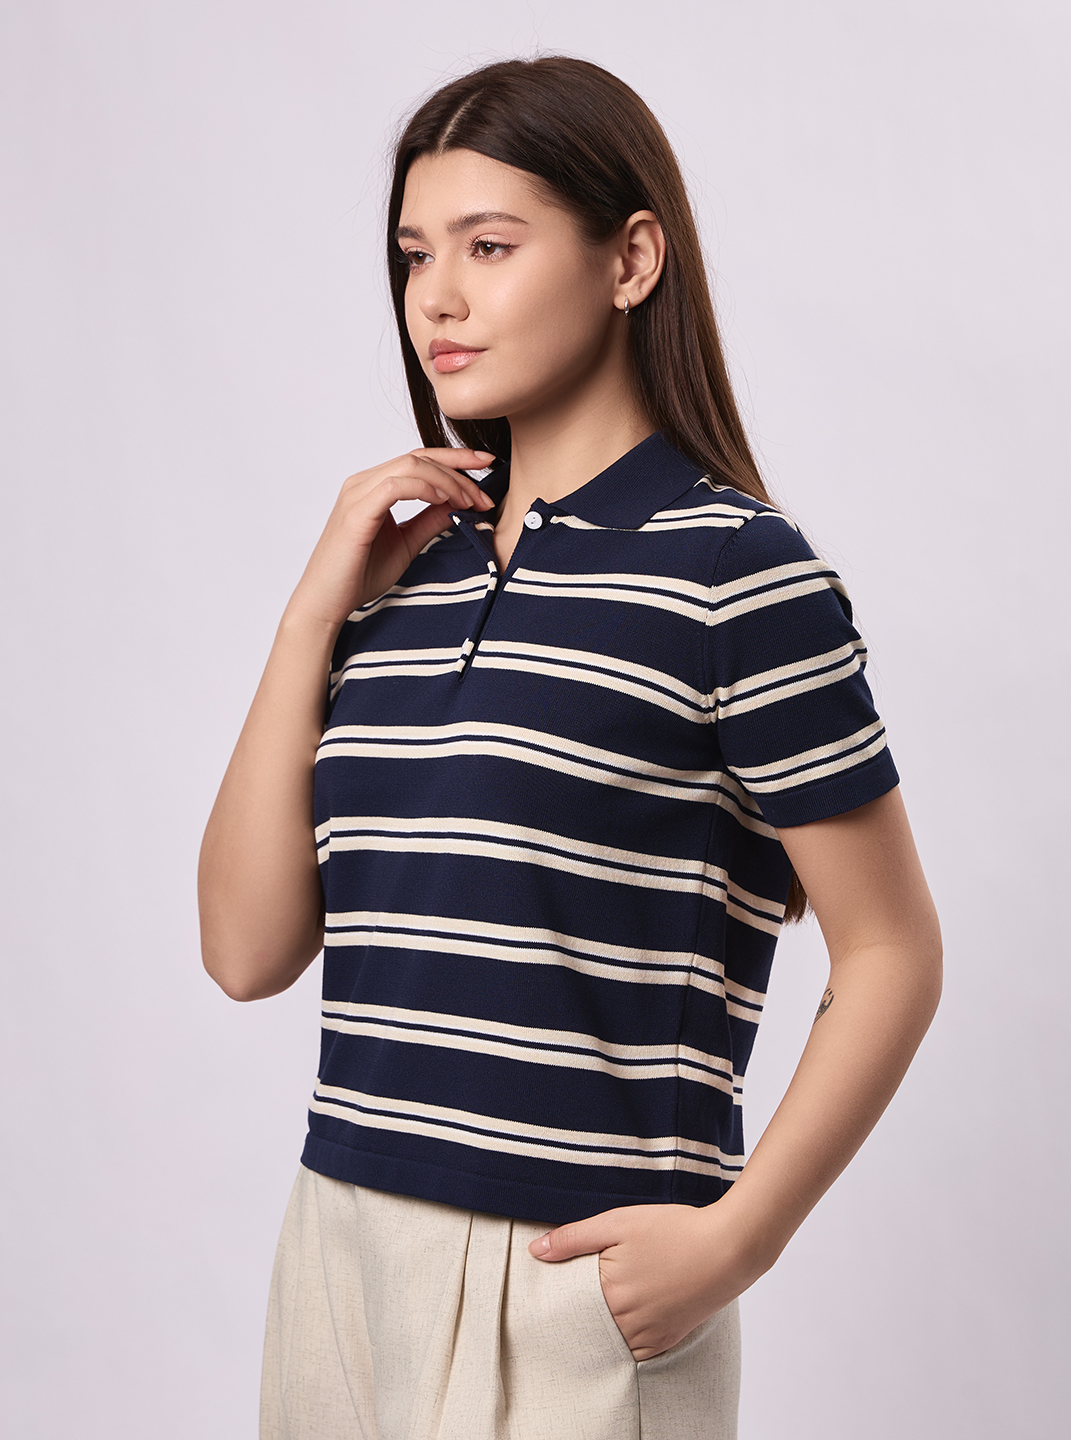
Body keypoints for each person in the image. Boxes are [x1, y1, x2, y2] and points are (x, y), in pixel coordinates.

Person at [198, 54, 942, 1440]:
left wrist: (737, 1239)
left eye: (489, 246)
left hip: (566, 1275)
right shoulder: (397, 580)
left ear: (630, 260)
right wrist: (311, 615)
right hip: (338, 1247)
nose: (437, 296)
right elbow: (246, 953)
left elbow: (893, 949)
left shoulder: (736, 574)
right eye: (415, 253)